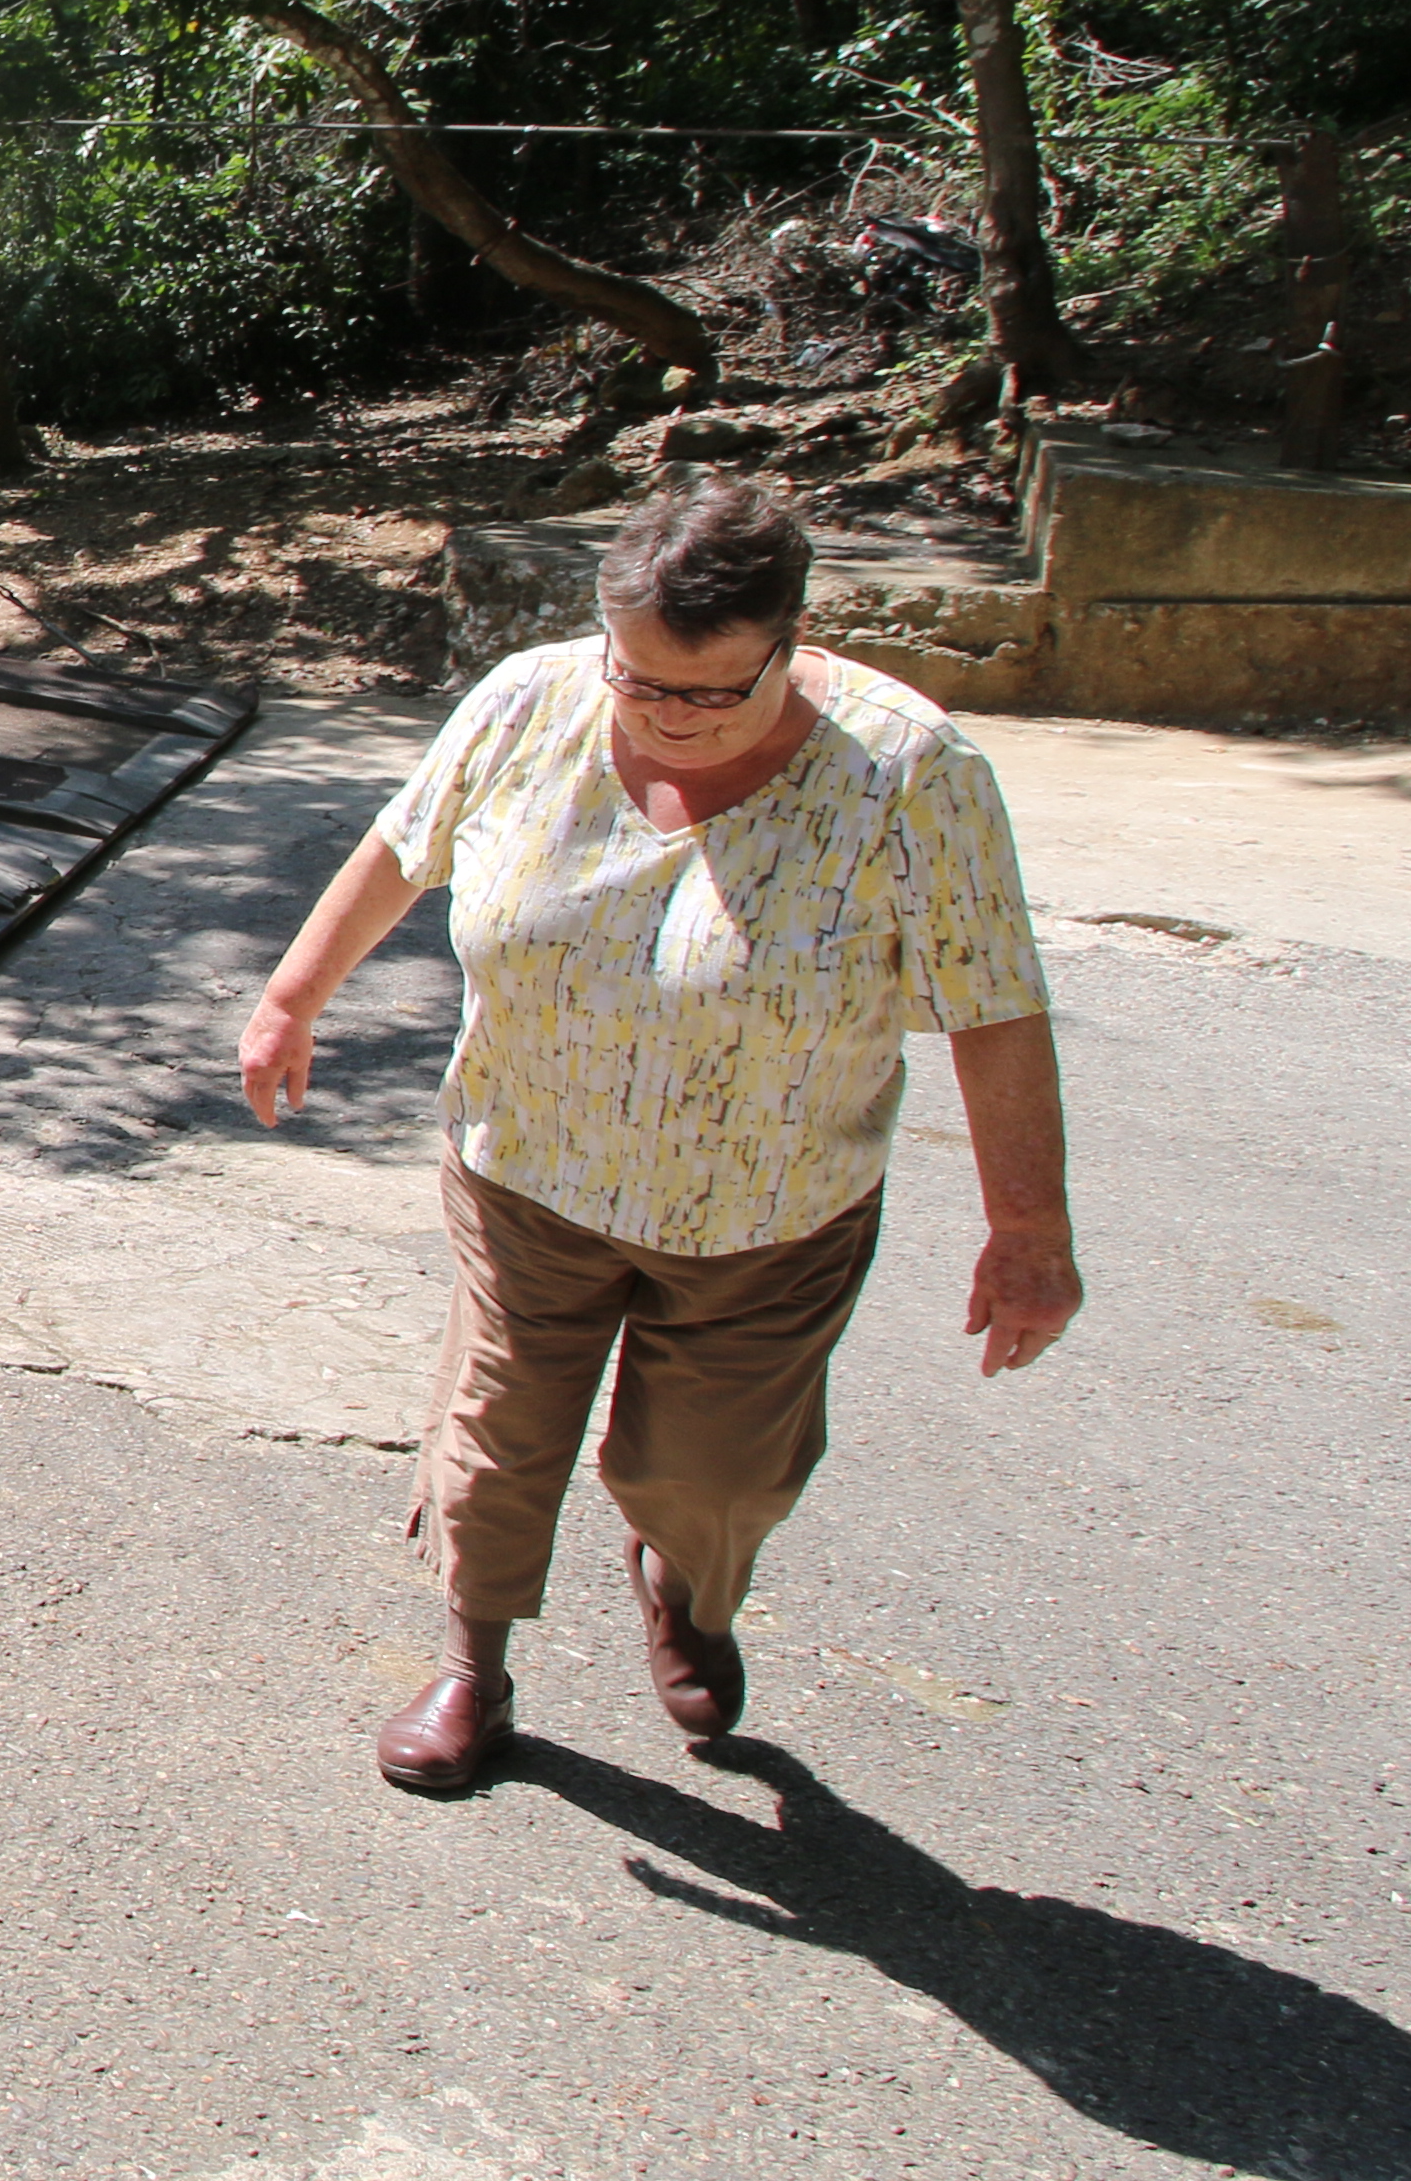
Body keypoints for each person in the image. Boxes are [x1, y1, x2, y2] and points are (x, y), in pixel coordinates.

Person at [237, 476, 1079, 1797]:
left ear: (790, 644)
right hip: (528, 1173)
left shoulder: (909, 773)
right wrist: (291, 999)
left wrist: (1028, 1229)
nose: (674, 717)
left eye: (717, 691)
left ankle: (684, 1578)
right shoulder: (533, 699)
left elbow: (994, 1005)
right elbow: (408, 843)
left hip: (769, 1216)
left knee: (713, 1477)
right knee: (493, 1442)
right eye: (644, 682)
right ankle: (476, 1667)